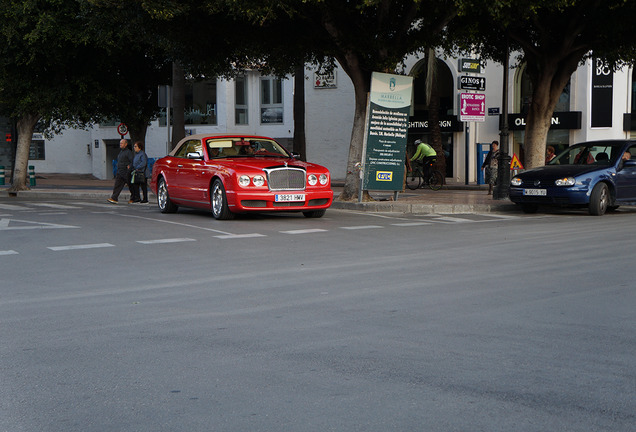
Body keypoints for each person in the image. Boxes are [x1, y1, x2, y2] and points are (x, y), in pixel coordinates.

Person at [108, 139, 133, 204]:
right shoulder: (121, 152)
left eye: (122, 143)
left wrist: (129, 167)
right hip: (120, 171)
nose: (120, 144)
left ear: (126, 144)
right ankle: (114, 198)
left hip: (126, 172)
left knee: (131, 186)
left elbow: (131, 161)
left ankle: (134, 198)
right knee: (117, 185)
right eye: (120, 143)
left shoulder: (128, 152)